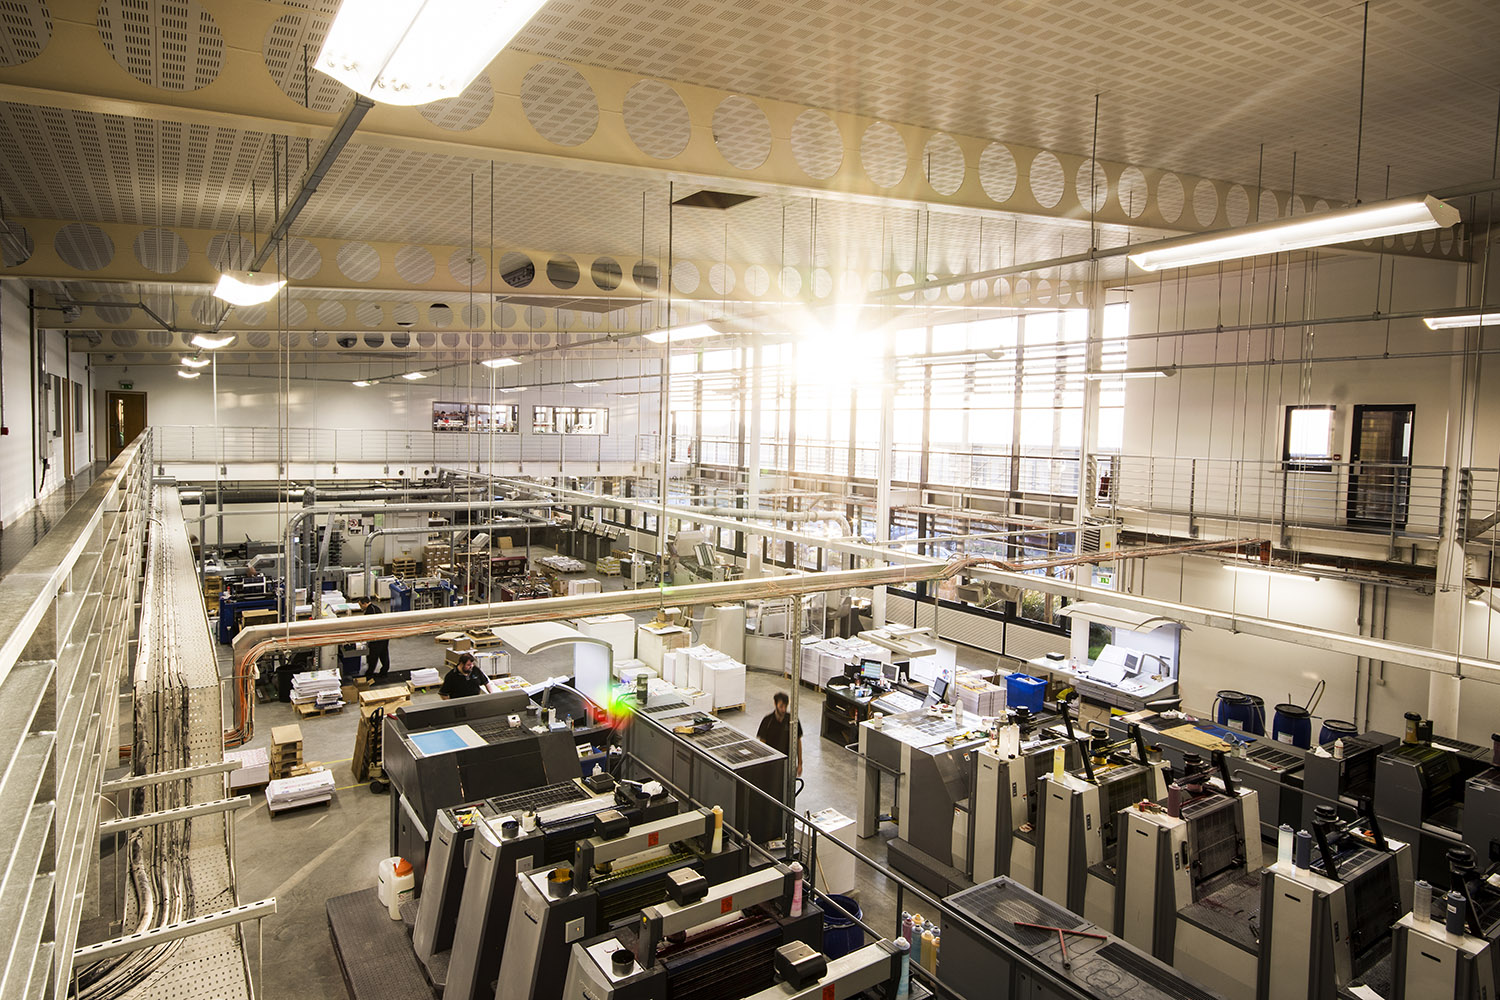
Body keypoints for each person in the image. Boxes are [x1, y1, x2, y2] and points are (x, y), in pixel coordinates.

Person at [756, 691, 803, 777]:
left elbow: (798, 741)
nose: (783, 710)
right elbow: (762, 744)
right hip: (771, 764)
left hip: (788, 764)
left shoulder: (792, 720)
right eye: (781, 706)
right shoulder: (767, 721)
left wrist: (800, 763)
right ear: (775, 704)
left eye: (786, 706)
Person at [360, 597, 391, 678]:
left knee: (373, 656)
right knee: (384, 654)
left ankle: (369, 674)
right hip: (384, 635)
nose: (360, 607)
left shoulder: (370, 611)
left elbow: (368, 625)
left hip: (377, 637)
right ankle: (384, 672)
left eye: (361, 605)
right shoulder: (375, 608)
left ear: (365, 604)